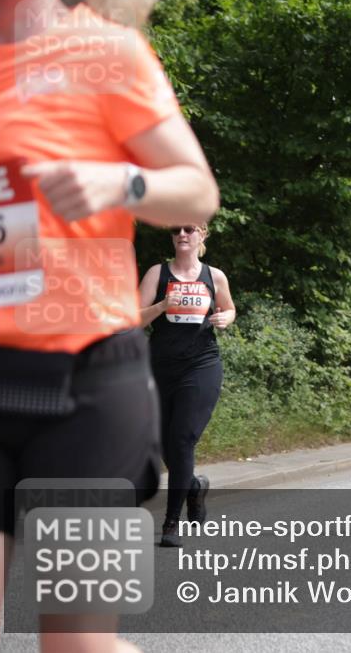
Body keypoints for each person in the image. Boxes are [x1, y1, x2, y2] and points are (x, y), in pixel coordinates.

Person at [0, 0, 219, 650]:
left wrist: (119, 183)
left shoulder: (105, 51)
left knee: (76, 645)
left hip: (86, 392)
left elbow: (197, 189)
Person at [139, 224, 234, 547]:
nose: (182, 233)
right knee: (163, 442)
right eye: (177, 229)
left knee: (182, 440)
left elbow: (230, 308)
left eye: (190, 229)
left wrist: (225, 318)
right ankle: (193, 486)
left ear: (201, 235)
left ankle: (170, 524)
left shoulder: (214, 276)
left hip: (202, 366)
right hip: (160, 367)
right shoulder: (157, 273)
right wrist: (163, 306)